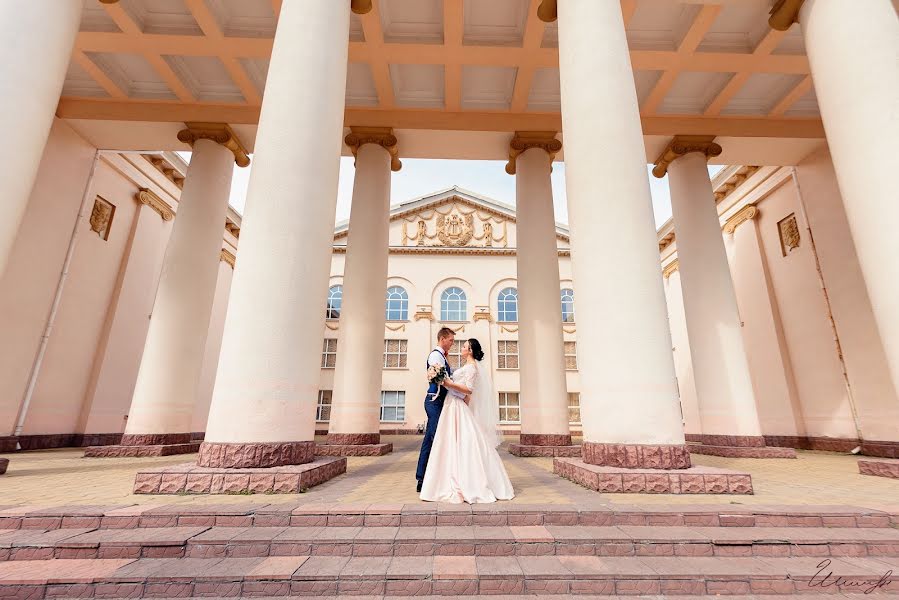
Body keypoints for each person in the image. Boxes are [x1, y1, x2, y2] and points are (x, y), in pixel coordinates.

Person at [420, 338, 515, 504]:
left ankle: (466, 482)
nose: (461, 348)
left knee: (461, 442)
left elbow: (468, 389)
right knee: (450, 442)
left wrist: (448, 383)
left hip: (456, 405)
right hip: (452, 404)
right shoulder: (467, 366)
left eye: (464, 346)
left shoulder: (472, 368)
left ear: (470, 350)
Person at [415, 327, 455, 492]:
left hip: (440, 402)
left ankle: (423, 477)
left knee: (431, 439)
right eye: (451, 340)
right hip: (434, 401)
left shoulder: (443, 357)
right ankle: (426, 479)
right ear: (443, 339)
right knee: (436, 437)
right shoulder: (435, 355)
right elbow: (438, 377)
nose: (452, 344)